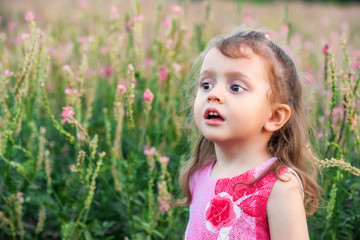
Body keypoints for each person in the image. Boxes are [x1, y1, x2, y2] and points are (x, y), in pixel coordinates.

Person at [175, 28, 321, 240]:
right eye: (206, 84)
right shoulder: (199, 175)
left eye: (235, 87)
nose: (213, 95)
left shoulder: (279, 186)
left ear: (275, 116)